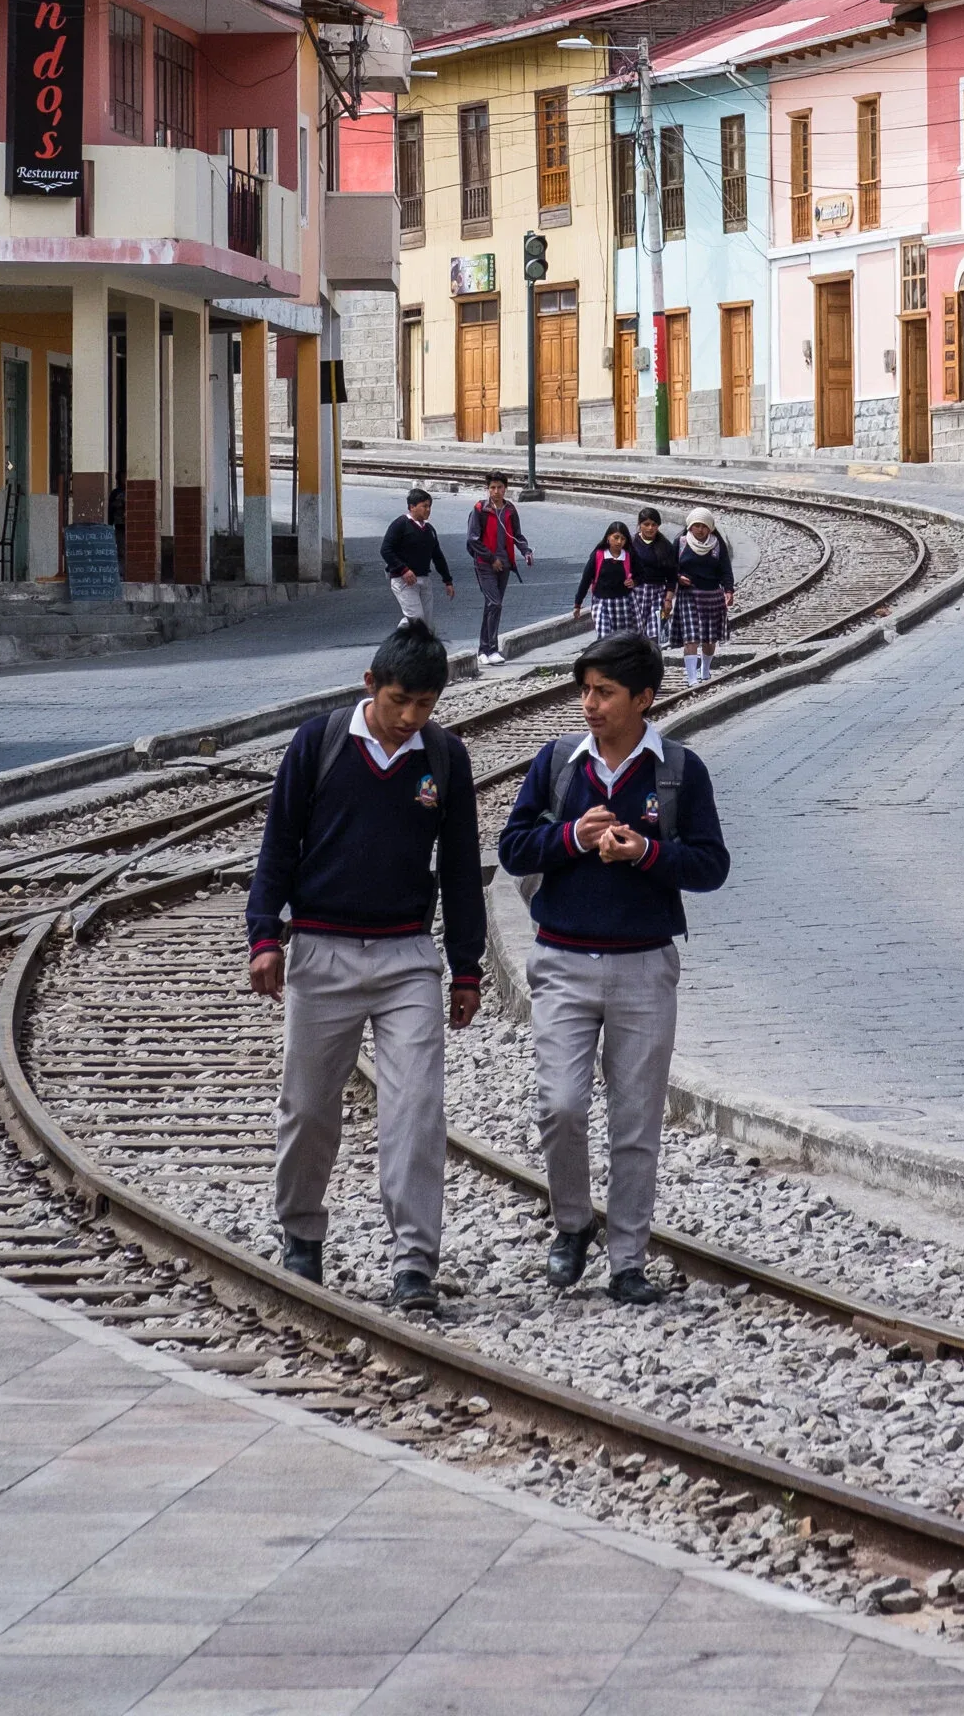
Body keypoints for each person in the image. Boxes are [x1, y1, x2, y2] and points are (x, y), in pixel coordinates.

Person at [246, 623, 484, 1310]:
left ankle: (414, 1263)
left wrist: (464, 967)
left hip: (408, 957)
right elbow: (277, 847)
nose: (410, 717)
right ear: (370, 686)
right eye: (400, 700)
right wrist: (265, 935)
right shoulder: (317, 744)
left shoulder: (445, 758)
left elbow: (462, 870)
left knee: (416, 1109)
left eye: (425, 704)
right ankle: (300, 1233)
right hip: (320, 951)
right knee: (309, 1109)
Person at [497, 636, 730, 1305]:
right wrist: (570, 838)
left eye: (603, 692)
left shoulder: (678, 771)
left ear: (643, 700)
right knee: (560, 1106)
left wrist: (646, 853)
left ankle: (627, 1258)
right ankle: (572, 1222)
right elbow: (512, 850)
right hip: (562, 962)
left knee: (635, 1124)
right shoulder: (556, 766)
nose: (589, 704)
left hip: (644, 968)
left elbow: (711, 866)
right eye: (586, 690)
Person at [466, 472, 532, 667]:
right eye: (492, 488)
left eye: (499, 488)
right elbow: (473, 539)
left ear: (505, 488)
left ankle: (483, 649)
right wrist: (490, 558)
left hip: (504, 563)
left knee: (491, 604)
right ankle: (492, 649)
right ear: (488, 489)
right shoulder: (480, 509)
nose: (496, 492)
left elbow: (517, 535)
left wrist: (526, 551)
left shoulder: (510, 510)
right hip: (485, 564)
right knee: (495, 603)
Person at [672, 506, 735, 688]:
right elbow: (670, 567)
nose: (700, 530)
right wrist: (677, 578)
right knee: (690, 637)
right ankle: (691, 678)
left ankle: (705, 670)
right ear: (690, 526)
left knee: (709, 638)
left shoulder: (717, 545)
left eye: (704, 526)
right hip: (689, 596)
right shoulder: (681, 543)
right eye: (696, 525)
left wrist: (729, 590)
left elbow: (725, 570)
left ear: (710, 527)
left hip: (712, 596)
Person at [380, 486, 454, 638]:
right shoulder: (400, 525)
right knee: (417, 620)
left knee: (426, 623)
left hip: (424, 579)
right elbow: (386, 550)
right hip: (404, 581)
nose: (428, 510)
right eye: (424, 506)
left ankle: (405, 642)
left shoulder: (429, 530)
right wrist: (403, 570)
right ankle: (401, 645)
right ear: (412, 507)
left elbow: (437, 556)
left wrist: (447, 580)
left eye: (429, 506)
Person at [576, 521, 641, 640]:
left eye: (622, 539)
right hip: (602, 603)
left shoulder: (629, 555)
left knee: (623, 640)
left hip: (624, 604)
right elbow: (586, 579)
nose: (619, 542)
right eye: (616, 537)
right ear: (608, 537)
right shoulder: (598, 555)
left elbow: (641, 574)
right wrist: (578, 604)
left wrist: (634, 581)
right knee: (605, 639)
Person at [629, 506, 679, 640]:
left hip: (658, 594)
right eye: (646, 524)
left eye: (654, 525)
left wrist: (668, 600)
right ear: (639, 525)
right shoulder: (630, 544)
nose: (650, 528)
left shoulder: (666, 546)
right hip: (635, 593)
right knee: (633, 634)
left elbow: (672, 576)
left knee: (656, 633)